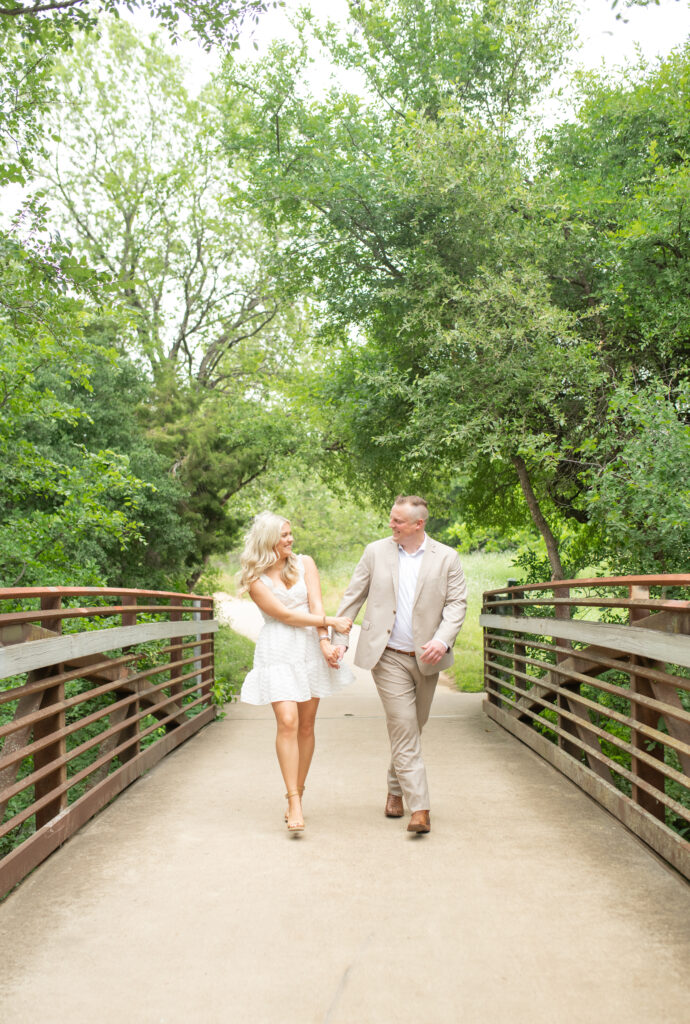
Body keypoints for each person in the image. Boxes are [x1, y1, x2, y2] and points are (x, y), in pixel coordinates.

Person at [333, 495, 467, 835]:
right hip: (387, 655)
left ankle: (395, 788)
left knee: (412, 727)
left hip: (426, 658)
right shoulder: (375, 552)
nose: (391, 525)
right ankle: (419, 808)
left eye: (398, 521)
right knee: (405, 725)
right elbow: (353, 597)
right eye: (391, 519)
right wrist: (338, 640)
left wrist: (441, 639)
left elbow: (456, 604)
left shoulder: (447, 557)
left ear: (418, 525)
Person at [239, 512, 354, 833]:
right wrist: (331, 622)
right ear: (267, 541)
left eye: (291, 534)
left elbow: (315, 603)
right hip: (278, 649)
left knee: (306, 725)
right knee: (287, 721)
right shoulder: (255, 579)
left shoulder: (306, 563)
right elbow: (286, 615)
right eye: (284, 535)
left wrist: (324, 642)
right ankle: (293, 801)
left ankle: (298, 792)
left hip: (308, 650)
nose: (290, 540)